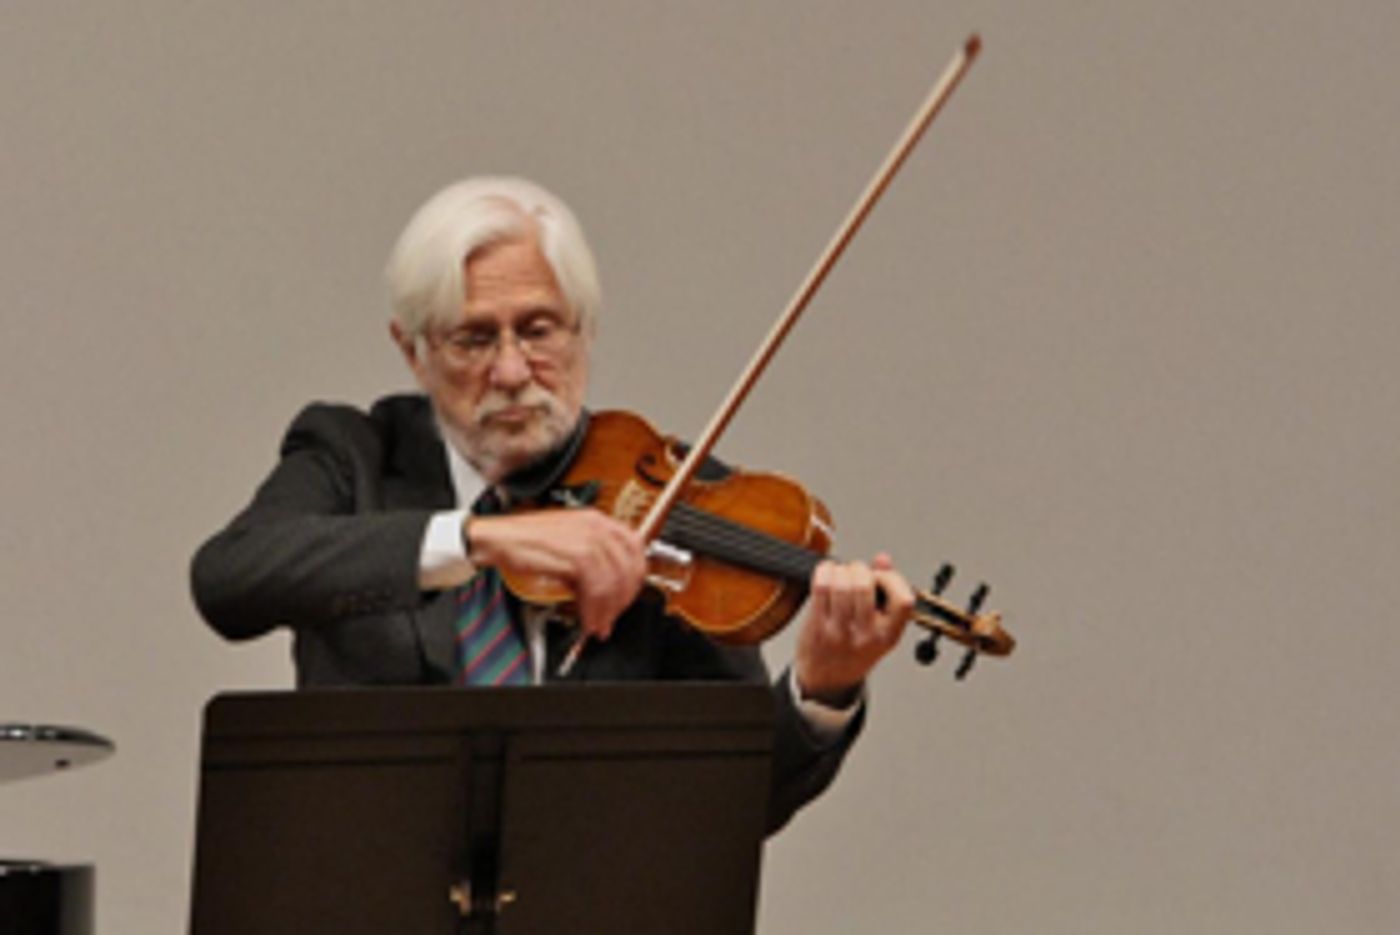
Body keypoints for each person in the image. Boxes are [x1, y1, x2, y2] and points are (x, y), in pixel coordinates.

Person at [190, 176, 915, 832]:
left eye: (538, 331)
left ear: (584, 329)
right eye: (474, 338)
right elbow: (230, 576)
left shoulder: (676, 505)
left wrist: (822, 686)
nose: (511, 371)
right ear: (411, 351)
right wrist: (476, 540)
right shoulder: (353, 457)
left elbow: (729, 805)